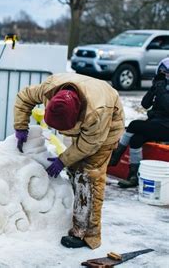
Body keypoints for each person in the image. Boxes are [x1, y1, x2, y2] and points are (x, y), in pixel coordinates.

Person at [14, 73, 125, 250]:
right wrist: (20, 127)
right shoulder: (48, 89)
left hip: (106, 129)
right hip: (86, 118)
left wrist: (62, 160)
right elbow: (24, 97)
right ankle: (77, 207)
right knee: (75, 168)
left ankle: (87, 233)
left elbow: (89, 145)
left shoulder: (96, 112)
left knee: (90, 176)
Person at [109, 58, 169, 188]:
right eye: (164, 74)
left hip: (166, 127)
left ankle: (116, 156)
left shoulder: (163, 88)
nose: (166, 77)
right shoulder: (161, 85)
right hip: (157, 124)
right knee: (136, 139)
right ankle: (133, 176)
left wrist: (161, 89)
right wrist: (154, 88)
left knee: (134, 125)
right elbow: (145, 104)